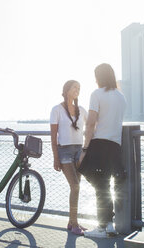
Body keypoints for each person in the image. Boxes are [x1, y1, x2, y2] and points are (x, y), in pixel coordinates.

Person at [77, 63, 126, 238]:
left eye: (95, 76)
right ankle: (110, 225)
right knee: (104, 185)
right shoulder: (121, 97)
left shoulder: (96, 94)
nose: (94, 79)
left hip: (99, 144)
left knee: (98, 183)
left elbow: (91, 123)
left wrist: (84, 148)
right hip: (115, 146)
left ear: (100, 77)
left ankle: (101, 227)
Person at [50, 80, 88, 236]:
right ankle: (74, 223)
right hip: (64, 152)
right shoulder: (56, 110)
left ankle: (71, 222)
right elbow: (53, 136)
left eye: (79, 88)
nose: (77, 90)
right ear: (66, 90)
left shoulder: (82, 110)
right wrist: (55, 158)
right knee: (75, 186)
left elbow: (92, 127)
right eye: (75, 87)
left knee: (76, 187)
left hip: (79, 152)